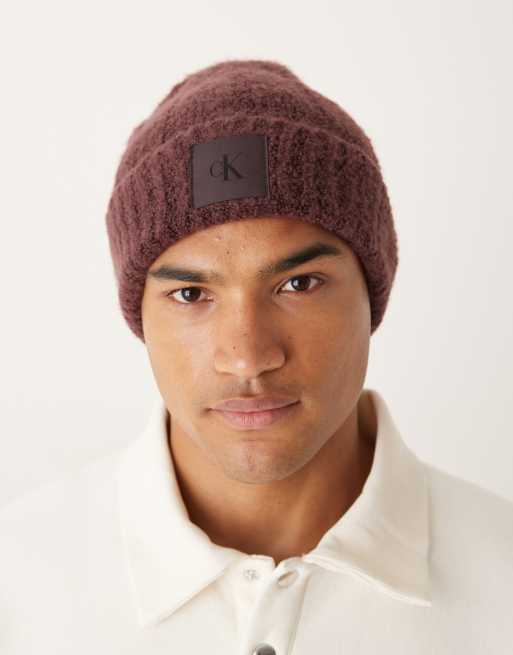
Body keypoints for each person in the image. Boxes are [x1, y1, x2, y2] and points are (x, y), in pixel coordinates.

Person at [1, 59, 512, 654]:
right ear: (140, 316)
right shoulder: (18, 583)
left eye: (299, 284)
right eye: (191, 294)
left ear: (373, 294)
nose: (247, 358)